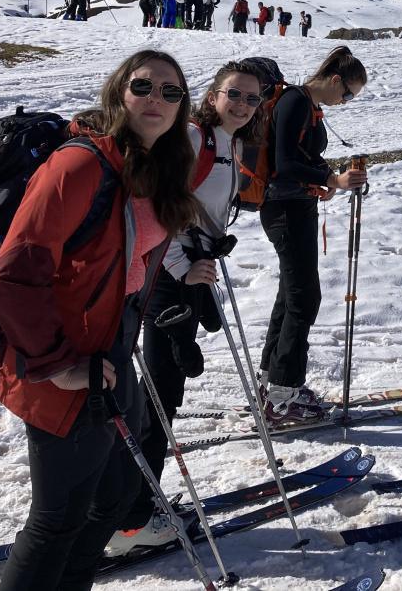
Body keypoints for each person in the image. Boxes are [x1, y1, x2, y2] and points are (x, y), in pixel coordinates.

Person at [0, 50, 197, 590]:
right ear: (119, 91)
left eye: (170, 92)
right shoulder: (80, 164)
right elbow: (15, 272)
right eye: (144, 86)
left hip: (112, 351)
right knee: (58, 517)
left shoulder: (153, 167)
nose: (156, 99)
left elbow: (127, 258)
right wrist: (59, 364)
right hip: (65, 356)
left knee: (115, 495)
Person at [113, 59, 268, 552]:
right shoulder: (197, 139)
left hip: (189, 273)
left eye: (251, 98)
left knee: (164, 390)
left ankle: (132, 503)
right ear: (213, 95)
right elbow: (163, 206)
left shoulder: (230, 141)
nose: (242, 105)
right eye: (234, 94)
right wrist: (182, 264)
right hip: (165, 278)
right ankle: (130, 521)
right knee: (159, 394)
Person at [259, 46, 368, 421]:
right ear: (335, 80)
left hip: (294, 206)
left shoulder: (306, 105)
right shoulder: (295, 101)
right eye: (349, 94)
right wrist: (329, 178)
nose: (347, 101)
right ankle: (283, 395)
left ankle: (272, 382)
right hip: (285, 210)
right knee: (305, 298)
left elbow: (299, 157)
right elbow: (283, 163)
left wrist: (326, 178)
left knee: (291, 294)